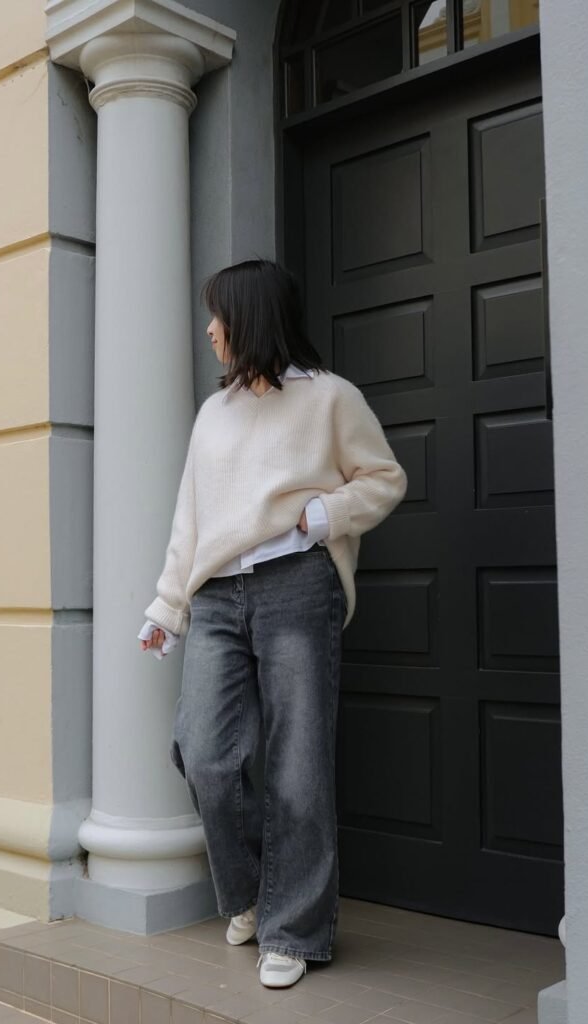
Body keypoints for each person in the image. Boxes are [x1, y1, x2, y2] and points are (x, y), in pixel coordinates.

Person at [139, 258, 407, 989]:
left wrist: (325, 515)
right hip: (219, 597)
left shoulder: (329, 400)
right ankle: (259, 892)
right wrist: (168, 605)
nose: (209, 329)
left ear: (250, 317)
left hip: (297, 588)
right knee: (204, 752)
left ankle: (293, 930)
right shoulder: (212, 413)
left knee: (297, 765)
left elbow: (383, 478)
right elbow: (189, 519)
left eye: (218, 315)